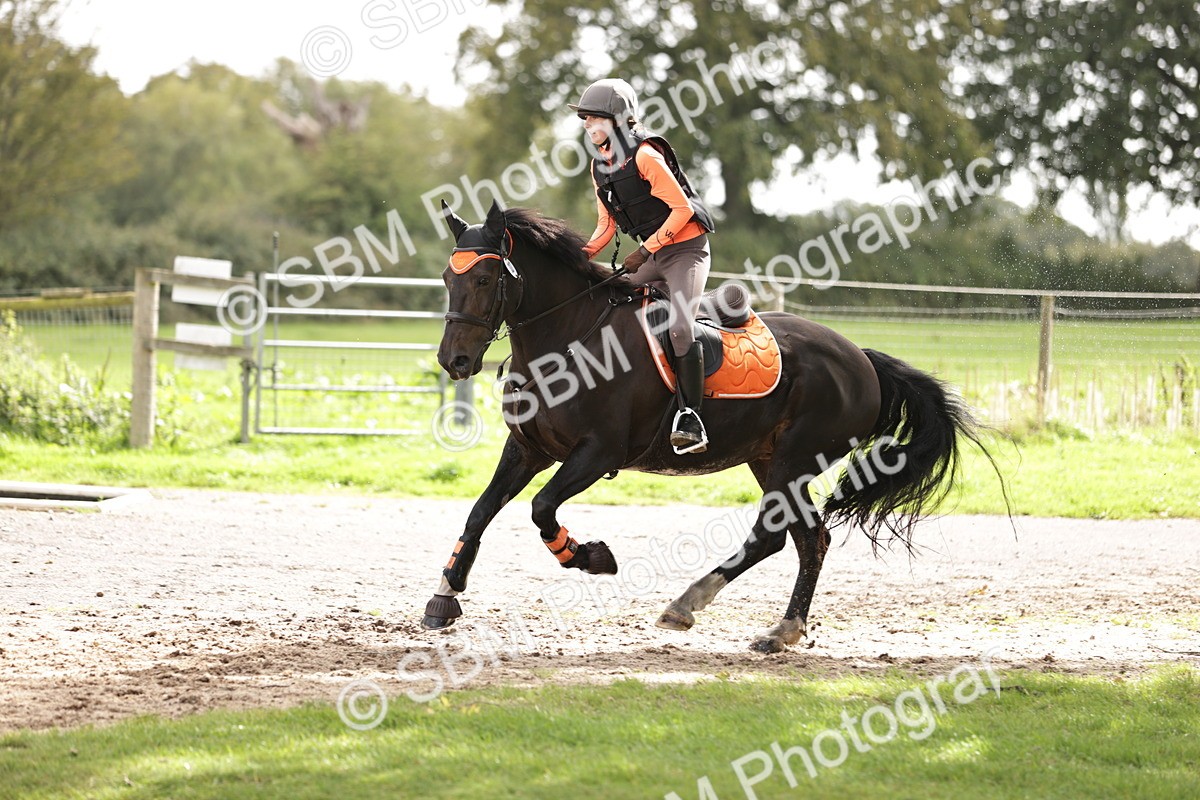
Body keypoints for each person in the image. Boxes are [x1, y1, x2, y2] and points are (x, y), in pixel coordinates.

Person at [569, 78, 716, 454]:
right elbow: (606, 225)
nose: (587, 125)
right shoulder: (600, 167)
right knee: (603, 305)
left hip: (686, 252)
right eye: (585, 119)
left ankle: (691, 417)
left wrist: (645, 250)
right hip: (652, 256)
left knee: (681, 328)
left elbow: (681, 210)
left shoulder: (646, 155)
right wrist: (579, 255)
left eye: (593, 118)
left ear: (617, 119)